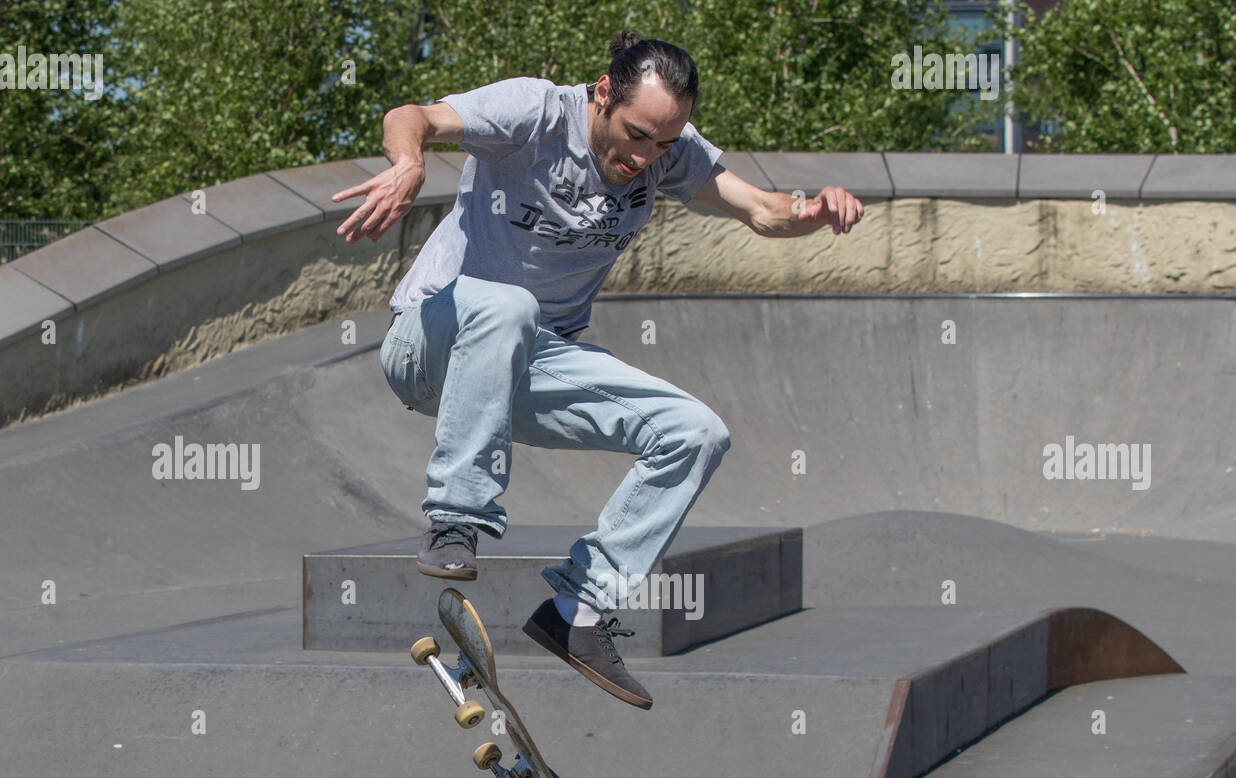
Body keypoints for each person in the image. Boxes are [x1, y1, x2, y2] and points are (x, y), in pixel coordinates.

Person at [333, 30, 862, 710]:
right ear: (603, 93)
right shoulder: (534, 112)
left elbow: (761, 210)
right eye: (636, 135)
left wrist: (810, 211)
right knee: (511, 306)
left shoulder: (665, 151)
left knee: (695, 431)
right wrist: (408, 164)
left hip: (532, 362)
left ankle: (579, 610)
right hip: (431, 341)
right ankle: (454, 519)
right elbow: (415, 116)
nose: (644, 158)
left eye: (662, 146)